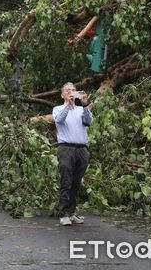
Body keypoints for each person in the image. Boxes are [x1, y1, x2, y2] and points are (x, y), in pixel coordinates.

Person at [52, 82, 93, 226]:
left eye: (74, 90)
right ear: (62, 94)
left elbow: (88, 122)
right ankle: (63, 213)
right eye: (68, 91)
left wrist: (85, 104)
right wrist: (68, 105)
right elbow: (59, 120)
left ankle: (72, 212)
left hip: (81, 149)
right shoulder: (58, 109)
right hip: (66, 149)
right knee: (66, 181)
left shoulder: (81, 110)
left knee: (76, 182)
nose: (71, 92)